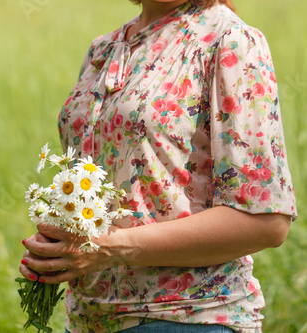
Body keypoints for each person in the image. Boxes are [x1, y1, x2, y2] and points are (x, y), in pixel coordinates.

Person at [20, 0, 298, 332]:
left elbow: (266, 221)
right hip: (87, 319)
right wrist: (61, 241)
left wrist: (109, 248)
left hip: (187, 317)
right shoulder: (103, 49)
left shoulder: (229, 40)